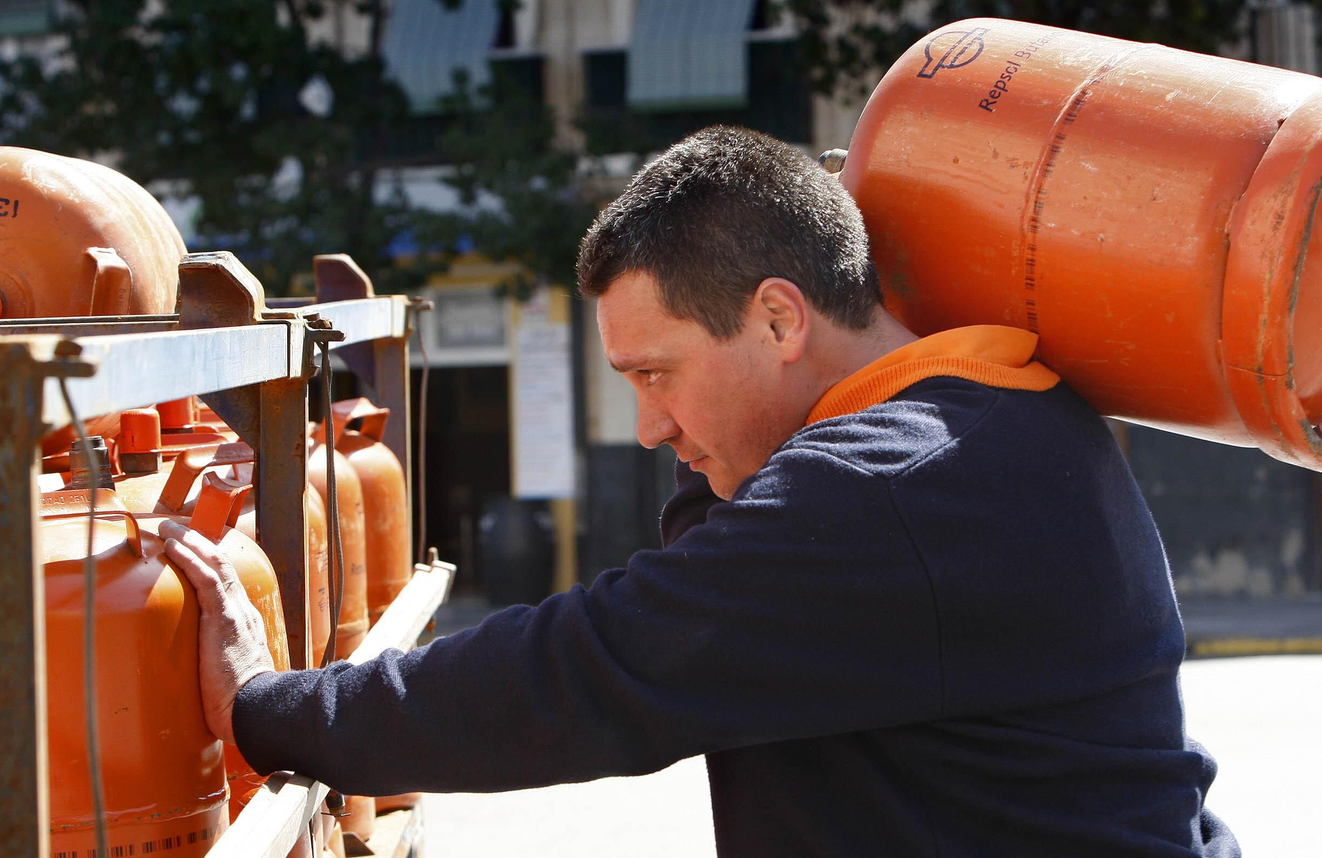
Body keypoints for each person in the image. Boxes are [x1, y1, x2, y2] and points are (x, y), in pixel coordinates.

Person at [160, 125, 1238, 857]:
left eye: (655, 374)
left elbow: (595, 669)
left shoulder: (886, 489)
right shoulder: (1008, 412)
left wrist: (270, 709)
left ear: (778, 317)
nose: (650, 426)